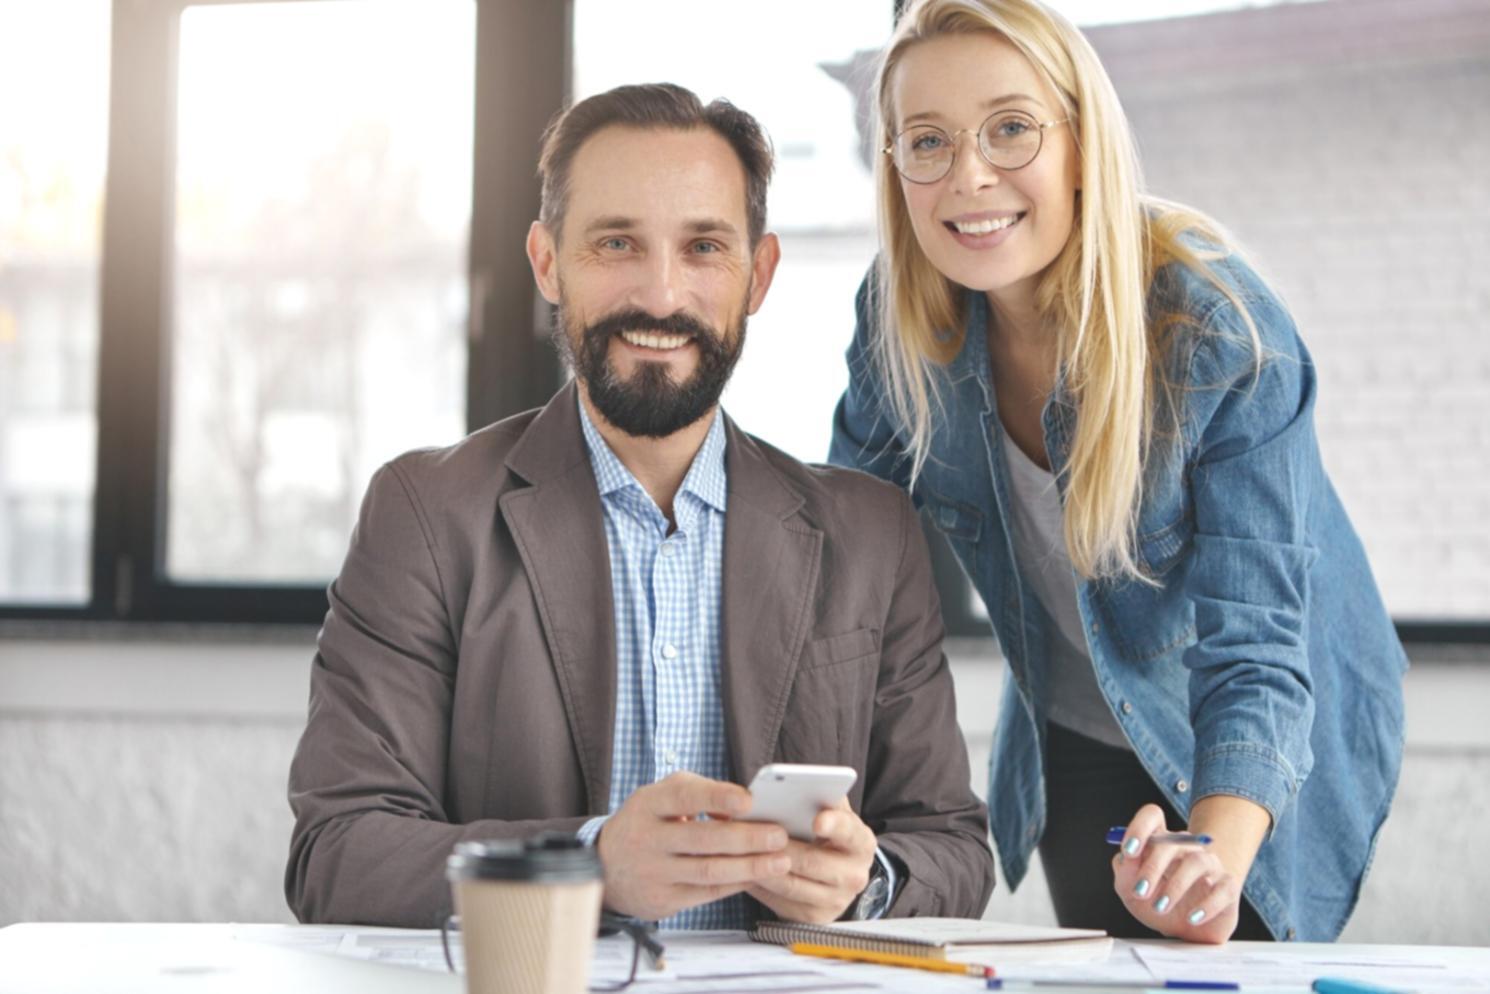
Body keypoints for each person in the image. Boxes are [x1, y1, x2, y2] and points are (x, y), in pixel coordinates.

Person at [286, 82, 994, 930]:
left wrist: (865, 881)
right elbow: (338, 853)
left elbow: (953, 848)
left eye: (703, 248)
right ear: (548, 263)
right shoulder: (425, 516)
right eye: (617, 243)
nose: (661, 295)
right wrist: (587, 866)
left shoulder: (873, 535)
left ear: (757, 275)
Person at [829, 0, 1406, 944]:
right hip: (1078, 725)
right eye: (926, 141)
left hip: (1260, 734)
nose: (969, 176)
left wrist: (1212, 860)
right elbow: (839, 560)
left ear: (1082, 142)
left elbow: (1258, 648)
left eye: (1010, 129)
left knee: (1215, 953)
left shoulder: (1215, 328)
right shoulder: (899, 320)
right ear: (895, 169)